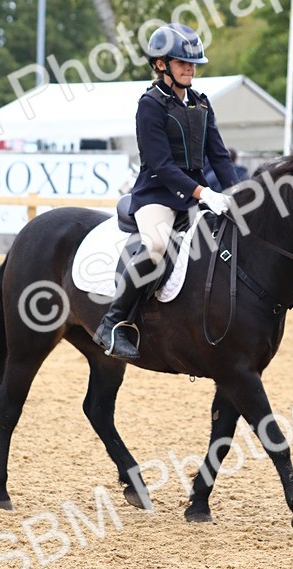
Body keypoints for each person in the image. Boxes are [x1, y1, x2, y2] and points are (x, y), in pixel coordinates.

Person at [93, 22, 240, 360]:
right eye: (182, 63)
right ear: (161, 65)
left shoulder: (201, 104)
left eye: (193, 64)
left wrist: (238, 193)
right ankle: (112, 323)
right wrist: (204, 193)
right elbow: (161, 165)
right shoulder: (150, 104)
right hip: (156, 194)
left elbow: (218, 154)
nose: (190, 69)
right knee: (157, 245)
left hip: (194, 196)